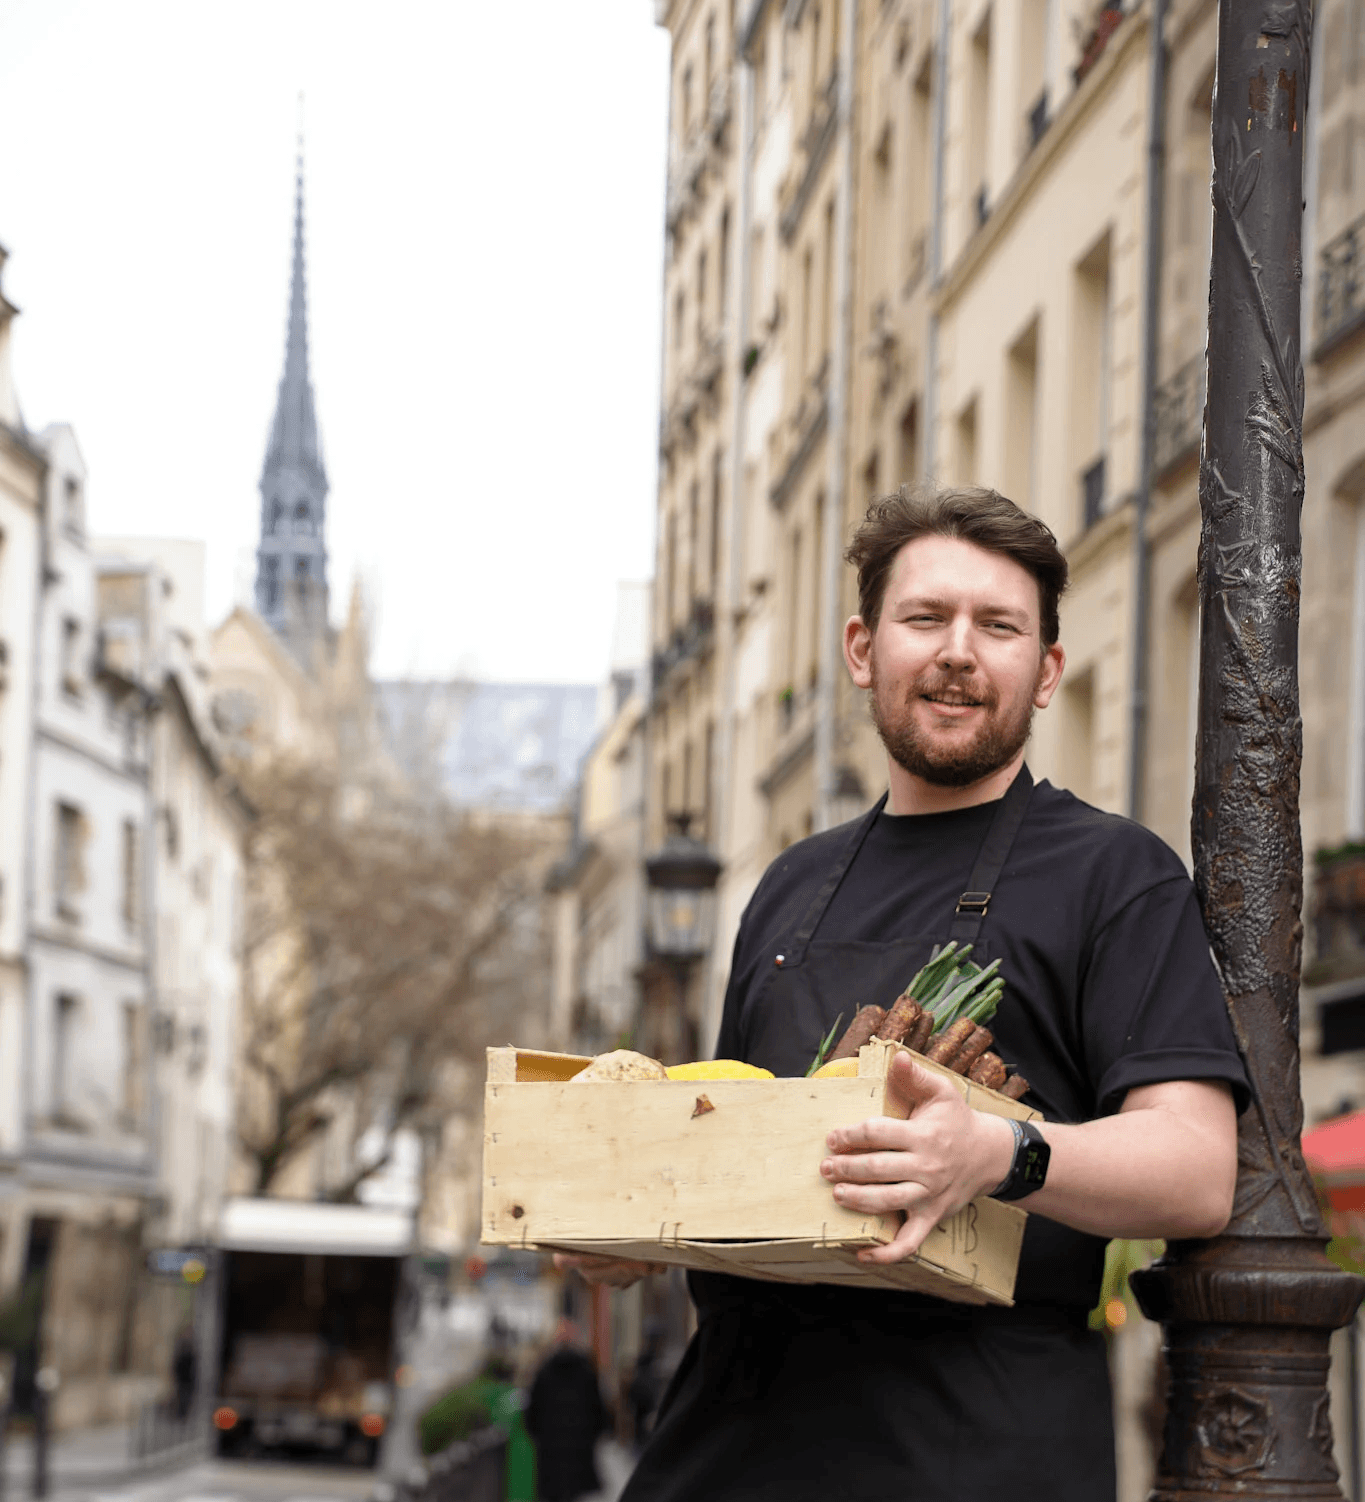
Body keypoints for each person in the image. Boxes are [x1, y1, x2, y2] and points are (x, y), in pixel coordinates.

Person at [557, 485, 1250, 1501]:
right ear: (861, 648)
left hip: (972, 1449)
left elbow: (1195, 1167)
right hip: (722, 1453)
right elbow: (733, 1154)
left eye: (998, 625)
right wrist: (629, 1229)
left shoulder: (1115, 874)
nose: (959, 650)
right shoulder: (788, 885)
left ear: (1048, 669)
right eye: (926, 617)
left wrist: (996, 1150)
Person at [524, 1318, 610, 1502]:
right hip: (580, 1450)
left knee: (554, 1493)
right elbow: (599, 1411)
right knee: (576, 1493)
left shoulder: (544, 1373)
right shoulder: (587, 1373)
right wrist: (593, 1436)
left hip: (550, 1450)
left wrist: (538, 1436)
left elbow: (532, 1413)